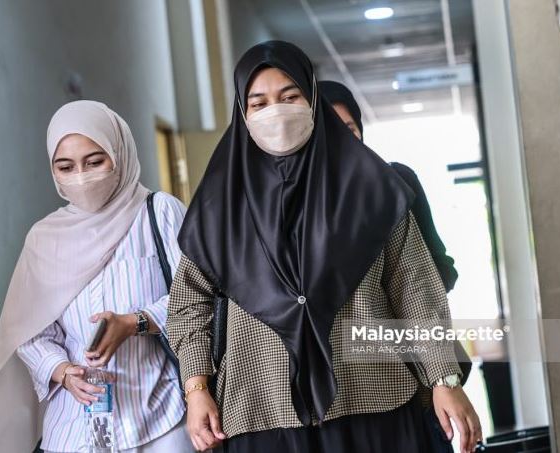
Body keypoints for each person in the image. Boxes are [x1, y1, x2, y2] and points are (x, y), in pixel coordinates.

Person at [166, 41, 481, 453]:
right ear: (243, 114)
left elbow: (414, 286)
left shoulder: (371, 189)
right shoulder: (218, 208)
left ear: (313, 101)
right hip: (260, 408)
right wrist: (196, 388)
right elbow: (189, 304)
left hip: (374, 399)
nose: (276, 112)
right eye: (259, 103)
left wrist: (444, 379)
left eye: (290, 97)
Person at [0, 100, 194, 453]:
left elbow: (197, 298)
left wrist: (135, 322)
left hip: (161, 420)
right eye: (66, 167)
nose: (81, 176)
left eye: (95, 162)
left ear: (118, 154)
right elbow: (29, 330)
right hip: (75, 430)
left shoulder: (160, 214)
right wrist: (62, 371)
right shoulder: (45, 239)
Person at [319, 80, 458, 291]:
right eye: (330, 132)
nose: (343, 142)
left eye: (349, 130)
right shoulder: (301, 202)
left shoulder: (398, 181)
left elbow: (441, 265)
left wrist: (413, 298)